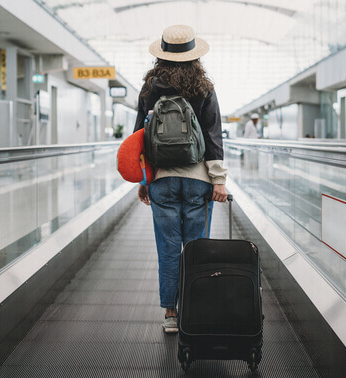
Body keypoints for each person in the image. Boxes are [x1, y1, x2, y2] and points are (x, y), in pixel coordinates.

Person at [134, 24, 228, 334]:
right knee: (196, 247)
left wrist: (144, 180)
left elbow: (139, 139)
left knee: (168, 247)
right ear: (193, 56)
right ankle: (196, 309)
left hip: (162, 180)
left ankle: (171, 314)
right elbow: (213, 136)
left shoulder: (150, 90)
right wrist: (218, 180)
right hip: (199, 181)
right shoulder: (203, 88)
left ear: (161, 56)